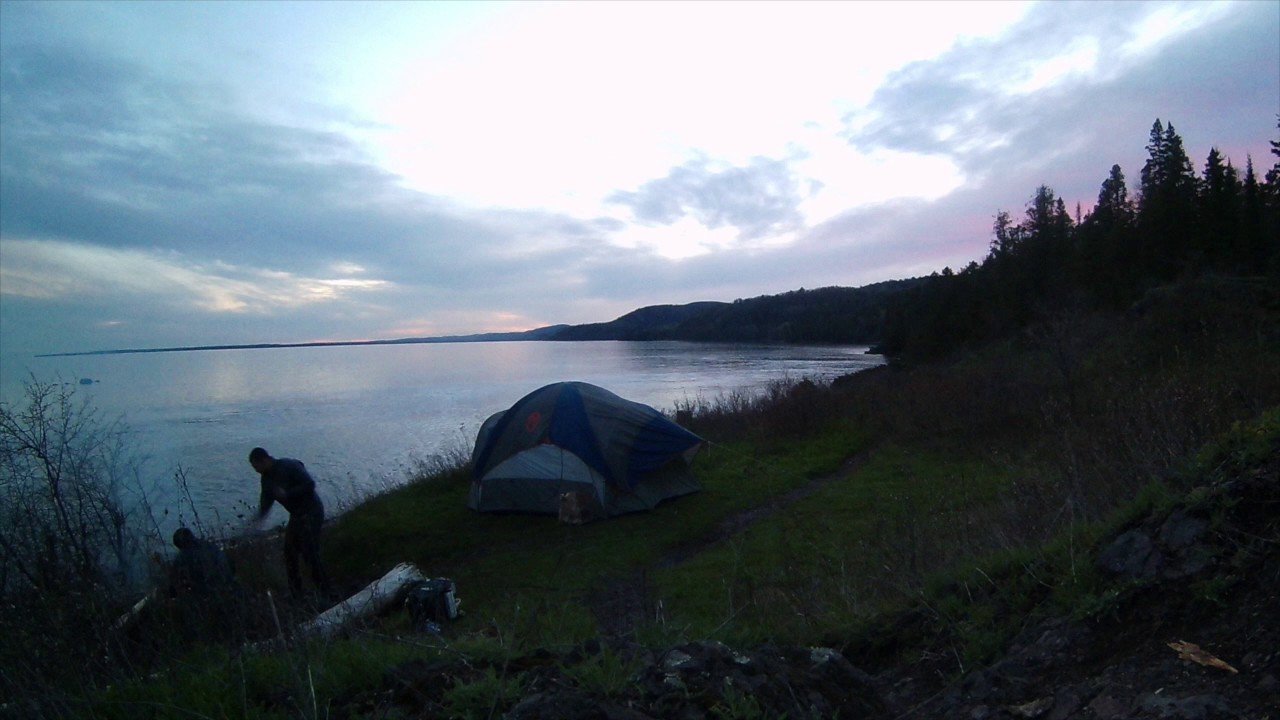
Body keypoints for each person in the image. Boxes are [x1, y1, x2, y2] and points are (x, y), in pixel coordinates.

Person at [249, 447, 331, 598]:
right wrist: (253, 524)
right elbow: (265, 504)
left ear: (264, 460)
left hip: (312, 512)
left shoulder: (289, 465)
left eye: (256, 466)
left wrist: (287, 494)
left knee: (310, 553)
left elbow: (310, 484)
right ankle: (296, 594)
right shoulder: (266, 480)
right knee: (290, 554)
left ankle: (327, 592)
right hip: (296, 516)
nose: (256, 470)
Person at [168, 527, 243, 640]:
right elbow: (230, 566)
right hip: (229, 588)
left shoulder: (182, 557)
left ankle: (201, 639)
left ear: (180, 544)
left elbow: (174, 581)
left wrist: (172, 595)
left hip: (208, 595)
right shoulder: (211, 546)